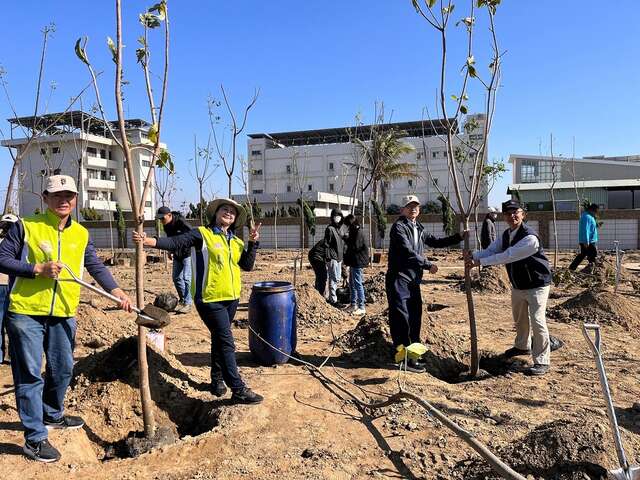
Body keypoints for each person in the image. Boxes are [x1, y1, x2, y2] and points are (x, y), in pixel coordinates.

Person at [0, 175, 132, 463]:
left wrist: (117, 290)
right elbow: (2, 258)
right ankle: (34, 439)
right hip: (25, 311)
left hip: (63, 311)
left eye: (69, 195)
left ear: (75, 199)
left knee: (62, 370)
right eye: (57, 195)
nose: (64, 200)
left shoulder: (81, 234)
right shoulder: (26, 227)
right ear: (44, 198)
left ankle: (52, 414)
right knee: (31, 375)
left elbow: (94, 264)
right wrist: (36, 269)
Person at [134, 198, 263, 405]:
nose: (229, 212)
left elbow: (247, 265)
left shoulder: (235, 241)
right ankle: (237, 388)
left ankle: (216, 381)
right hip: (209, 299)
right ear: (216, 213)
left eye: (232, 211)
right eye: (224, 209)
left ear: (235, 219)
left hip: (231, 299)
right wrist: (151, 241)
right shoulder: (202, 234)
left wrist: (253, 242)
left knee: (219, 339)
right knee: (227, 342)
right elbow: (177, 242)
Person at [466, 199, 552, 376]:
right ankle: (522, 347)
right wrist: (472, 254)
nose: (512, 216)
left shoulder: (530, 238)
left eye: (516, 212)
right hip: (518, 284)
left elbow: (507, 256)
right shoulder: (506, 235)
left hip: (537, 284)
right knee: (519, 318)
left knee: (537, 320)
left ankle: (542, 360)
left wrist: (479, 262)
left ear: (523, 214)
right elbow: (492, 250)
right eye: (508, 213)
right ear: (504, 216)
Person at [386, 195, 464, 373]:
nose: (413, 209)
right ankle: (402, 358)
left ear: (419, 210)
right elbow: (407, 251)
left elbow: (436, 242)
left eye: (416, 206)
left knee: (414, 318)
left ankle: (412, 355)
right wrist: (428, 264)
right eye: (409, 206)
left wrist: (458, 237)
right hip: (399, 279)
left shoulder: (418, 228)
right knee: (401, 319)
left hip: (413, 281)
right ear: (402, 210)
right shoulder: (399, 227)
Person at [155, 206, 193, 313]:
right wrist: (169, 251)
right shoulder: (166, 226)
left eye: (163, 218)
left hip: (188, 253)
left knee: (187, 278)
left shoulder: (181, 222)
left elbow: (192, 235)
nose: (161, 221)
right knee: (176, 278)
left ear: (169, 215)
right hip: (177, 254)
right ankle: (183, 299)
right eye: (160, 219)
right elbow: (170, 240)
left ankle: (188, 303)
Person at [0, 213, 19, 364]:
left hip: (9, 286)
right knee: (13, 323)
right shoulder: (19, 242)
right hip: (14, 286)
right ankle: (15, 356)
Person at [343, 214, 369, 315]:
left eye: (348, 226)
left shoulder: (359, 232)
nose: (347, 228)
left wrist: (347, 239)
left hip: (358, 262)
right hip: (354, 261)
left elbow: (356, 246)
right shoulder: (355, 231)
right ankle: (353, 304)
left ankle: (361, 307)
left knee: (358, 283)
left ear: (352, 224)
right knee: (352, 284)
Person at [569, 203, 599, 272]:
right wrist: (586, 241)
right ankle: (594, 270)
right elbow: (585, 229)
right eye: (595, 212)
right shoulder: (587, 217)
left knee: (582, 255)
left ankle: (571, 269)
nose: (596, 213)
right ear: (592, 210)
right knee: (593, 256)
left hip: (590, 241)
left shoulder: (589, 217)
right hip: (588, 242)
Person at [324, 208, 345, 305]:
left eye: (339, 216)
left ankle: (334, 297)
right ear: (332, 217)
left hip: (339, 258)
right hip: (332, 258)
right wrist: (328, 257)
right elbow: (326, 244)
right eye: (336, 216)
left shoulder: (339, 229)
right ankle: (333, 300)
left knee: (337, 279)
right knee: (333, 279)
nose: (338, 218)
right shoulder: (329, 229)